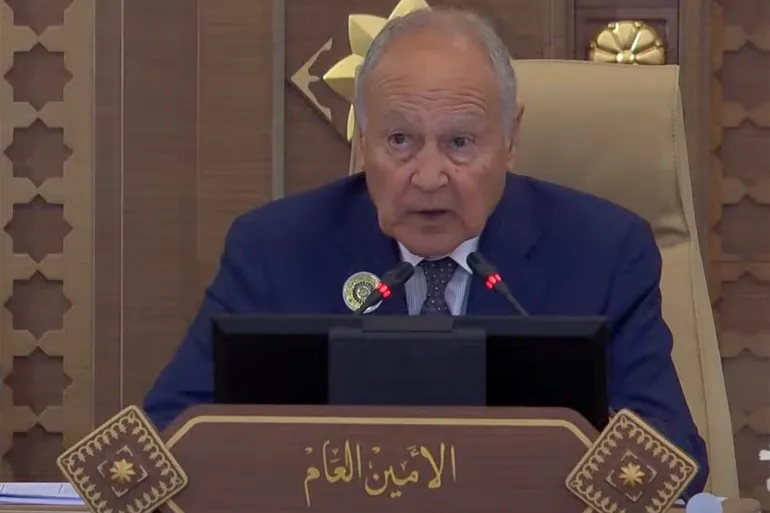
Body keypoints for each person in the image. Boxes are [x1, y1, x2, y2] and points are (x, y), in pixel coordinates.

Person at [144, 7, 708, 494]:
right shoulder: (274, 248)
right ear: (362, 140)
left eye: (459, 142)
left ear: (510, 139)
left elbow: (672, 460)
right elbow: (169, 435)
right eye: (400, 141)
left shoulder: (603, 252)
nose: (430, 177)